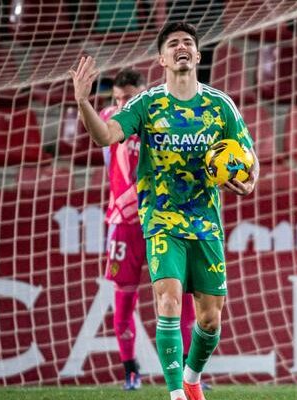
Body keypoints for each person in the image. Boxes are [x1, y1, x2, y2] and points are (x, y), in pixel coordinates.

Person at [70, 21, 259, 400]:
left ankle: (191, 377)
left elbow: (249, 159)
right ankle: (177, 395)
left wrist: (249, 181)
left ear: (198, 55)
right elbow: (106, 136)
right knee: (169, 301)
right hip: (161, 219)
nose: (181, 47)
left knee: (210, 319)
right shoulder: (147, 103)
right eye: (173, 43)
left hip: (205, 222)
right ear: (162, 58)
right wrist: (83, 102)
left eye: (188, 42)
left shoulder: (220, 105)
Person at [100, 68, 202, 391]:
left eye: (127, 98)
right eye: (116, 99)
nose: (121, 104)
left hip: (164, 220)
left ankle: (187, 374)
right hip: (124, 224)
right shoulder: (110, 119)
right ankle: (130, 370)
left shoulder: (159, 118)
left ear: (143, 94)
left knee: (182, 299)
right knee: (123, 300)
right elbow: (101, 131)